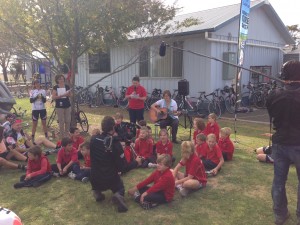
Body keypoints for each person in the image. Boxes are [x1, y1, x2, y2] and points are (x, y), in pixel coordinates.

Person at [266, 60, 300, 225]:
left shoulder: (274, 95)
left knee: (279, 181)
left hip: (280, 143)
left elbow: (271, 112)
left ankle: (280, 214)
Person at [90, 116, 142, 213]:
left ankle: (97, 192)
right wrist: (136, 162)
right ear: (113, 127)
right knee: (120, 186)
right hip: (109, 178)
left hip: (94, 177)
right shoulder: (115, 144)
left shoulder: (93, 139)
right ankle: (118, 195)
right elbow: (123, 168)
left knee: (98, 176)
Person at [52, 74, 72, 139]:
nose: (62, 79)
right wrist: (62, 95)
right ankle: (62, 135)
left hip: (67, 105)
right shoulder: (55, 87)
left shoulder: (67, 86)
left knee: (68, 120)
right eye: (60, 79)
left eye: (62, 78)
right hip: (59, 106)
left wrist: (68, 94)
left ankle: (67, 134)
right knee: (61, 121)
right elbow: (53, 97)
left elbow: (70, 95)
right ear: (57, 80)